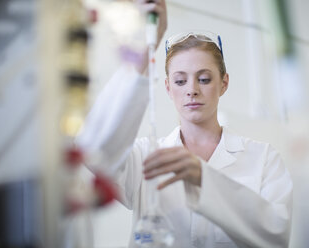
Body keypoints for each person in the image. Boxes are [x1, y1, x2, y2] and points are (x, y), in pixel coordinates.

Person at [77, 0, 293, 247]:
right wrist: (143, 46)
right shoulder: (144, 157)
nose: (192, 90)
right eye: (180, 81)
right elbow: (93, 149)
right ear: (168, 88)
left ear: (224, 83)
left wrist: (204, 179)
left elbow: (276, 235)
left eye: (203, 79)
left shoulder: (263, 159)